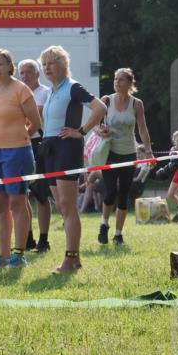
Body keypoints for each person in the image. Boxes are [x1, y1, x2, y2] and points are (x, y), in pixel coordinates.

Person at [38, 45, 107, 273]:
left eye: (52, 62)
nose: (47, 67)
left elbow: (100, 108)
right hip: (49, 148)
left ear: (63, 65)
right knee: (62, 206)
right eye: (45, 63)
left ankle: (71, 258)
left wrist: (82, 130)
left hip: (67, 148)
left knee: (68, 206)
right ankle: (73, 258)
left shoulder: (72, 87)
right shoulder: (51, 91)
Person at [0, 49, 41, 268]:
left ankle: (18, 253)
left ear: (9, 67)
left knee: (17, 202)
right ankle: (3, 255)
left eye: (0, 64)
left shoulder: (21, 89)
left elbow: (35, 123)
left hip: (17, 151)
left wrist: (21, 137)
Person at [96, 68, 153, 245]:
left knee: (123, 194)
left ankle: (118, 234)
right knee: (110, 191)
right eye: (115, 79)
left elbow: (142, 129)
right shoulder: (106, 100)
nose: (117, 82)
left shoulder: (137, 104)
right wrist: (100, 131)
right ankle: (104, 224)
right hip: (110, 152)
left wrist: (149, 152)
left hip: (129, 152)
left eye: (121, 79)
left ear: (130, 83)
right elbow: (94, 125)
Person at [17, 58, 52, 252]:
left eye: (28, 72)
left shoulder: (44, 93)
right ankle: (27, 237)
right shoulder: (18, 94)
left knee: (40, 194)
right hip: (20, 144)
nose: (24, 76)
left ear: (38, 74)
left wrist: (20, 134)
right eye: (21, 73)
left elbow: (34, 120)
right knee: (21, 194)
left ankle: (44, 239)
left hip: (37, 144)